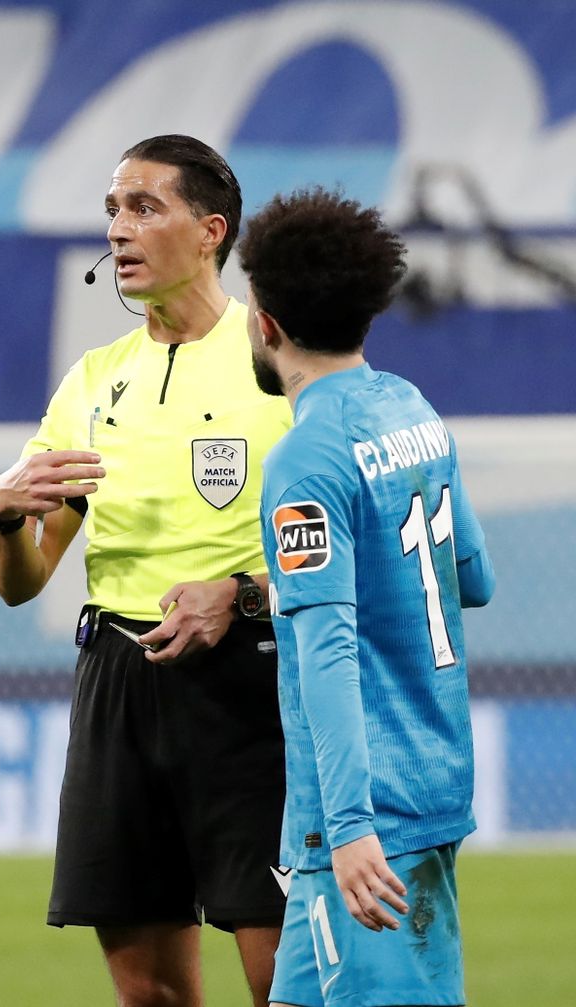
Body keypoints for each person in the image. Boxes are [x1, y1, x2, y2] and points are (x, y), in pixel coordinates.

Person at [0, 134, 292, 1007]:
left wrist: (241, 596)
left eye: (144, 207)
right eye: (112, 209)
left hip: (255, 683)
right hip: (119, 682)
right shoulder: (91, 382)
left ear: (210, 231)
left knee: (287, 985)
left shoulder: (278, 358)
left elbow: (357, 544)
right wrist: (3, 516)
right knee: (149, 996)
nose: (118, 227)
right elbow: (21, 578)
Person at [240, 188, 495, 1007]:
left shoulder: (307, 456)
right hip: (432, 775)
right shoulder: (411, 408)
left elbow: (328, 649)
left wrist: (350, 826)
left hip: (364, 821)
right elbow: (474, 577)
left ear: (267, 321)